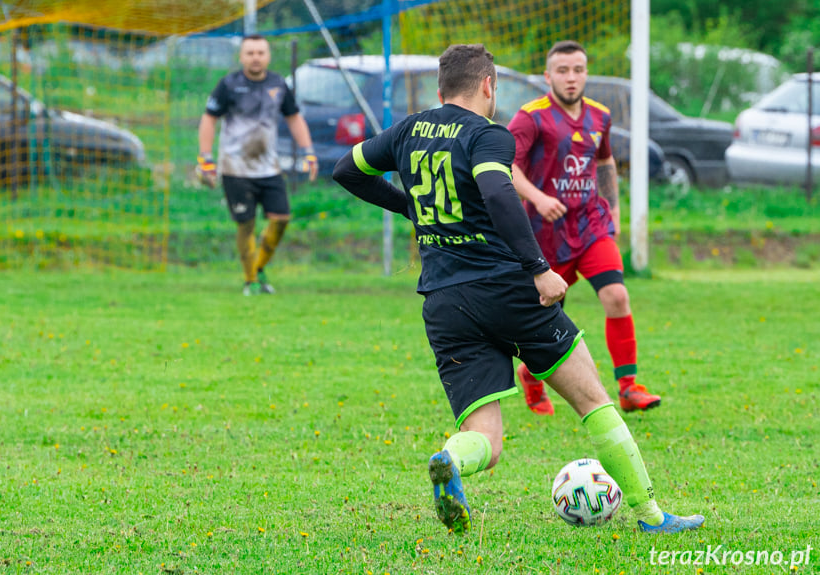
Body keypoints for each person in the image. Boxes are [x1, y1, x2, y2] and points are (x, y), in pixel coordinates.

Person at [332, 43, 704, 535]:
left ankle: (450, 460)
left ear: (440, 88)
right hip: (505, 290)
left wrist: (410, 207)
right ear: (489, 85)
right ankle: (653, 516)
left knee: (486, 438)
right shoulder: (488, 136)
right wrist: (538, 268)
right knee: (593, 399)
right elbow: (497, 191)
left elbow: (346, 170)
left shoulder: (407, 131)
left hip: (444, 302)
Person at [507, 40, 661, 415]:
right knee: (547, 313)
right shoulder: (531, 117)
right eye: (562, 71)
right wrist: (539, 199)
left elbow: (606, 162)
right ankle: (530, 374)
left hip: (591, 226)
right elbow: (507, 167)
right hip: (546, 235)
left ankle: (628, 388)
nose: (571, 78)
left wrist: (615, 212)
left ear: (586, 73)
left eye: (578, 69)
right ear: (548, 76)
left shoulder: (600, 116)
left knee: (617, 297)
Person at [196, 34, 318, 296]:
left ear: (268, 56)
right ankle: (250, 280)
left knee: (282, 219)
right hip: (235, 170)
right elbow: (209, 119)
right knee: (246, 225)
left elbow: (294, 117)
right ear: (241, 57)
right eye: (250, 53)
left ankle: (259, 267)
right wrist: (205, 159)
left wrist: (309, 153)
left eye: (260, 52)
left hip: (268, 168)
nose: (255, 57)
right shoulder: (228, 85)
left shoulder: (278, 84)